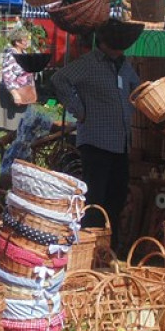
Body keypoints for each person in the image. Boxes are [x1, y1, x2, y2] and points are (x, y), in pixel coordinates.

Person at [51, 19, 142, 254]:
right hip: (97, 141)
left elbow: (137, 88)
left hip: (121, 142)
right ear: (105, 41)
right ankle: (89, 250)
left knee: (117, 196)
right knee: (95, 198)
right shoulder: (89, 63)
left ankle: (107, 247)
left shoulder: (124, 65)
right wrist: (78, 109)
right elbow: (59, 79)